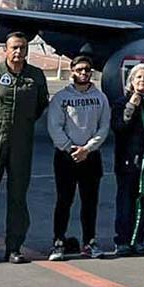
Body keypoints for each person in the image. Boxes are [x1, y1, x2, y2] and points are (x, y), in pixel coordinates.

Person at [0, 31, 49, 266]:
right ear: (6, 49)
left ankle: (14, 247)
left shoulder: (35, 76)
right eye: (14, 47)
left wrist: (21, 124)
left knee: (18, 198)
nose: (19, 52)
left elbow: (40, 105)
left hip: (21, 144)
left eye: (23, 48)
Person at [46, 56, 111, 261]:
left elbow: (104, 127)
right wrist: (69, 148)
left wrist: (88, 149)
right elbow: (54, 126)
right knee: (64, 201)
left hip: (90, 157)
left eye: (87, 70)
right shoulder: (61, 98)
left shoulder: (100, 98)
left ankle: (89, 241)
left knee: (89, 202)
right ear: (72, 70)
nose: (84, 73)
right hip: (66, 157)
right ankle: (58, 241)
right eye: (80, 69)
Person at [111, 63, 144, 257]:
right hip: (127, 160)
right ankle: (122, 240)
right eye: (138, 77)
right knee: (125, 201)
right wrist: (132, 106)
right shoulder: (121, 103)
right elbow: (119, 127)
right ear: (131, 81)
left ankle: (138, 238)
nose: (142, 81)